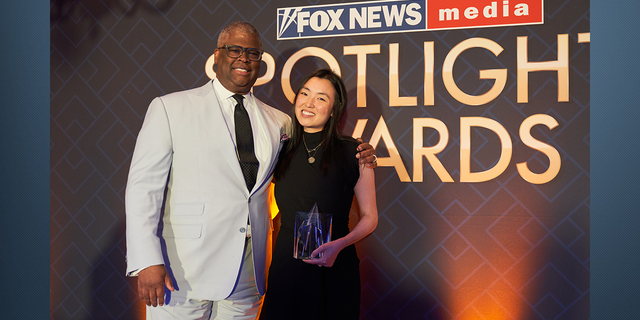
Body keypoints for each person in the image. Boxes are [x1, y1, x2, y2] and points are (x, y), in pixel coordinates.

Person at [124, 22, 377, 319]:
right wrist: (147, 260)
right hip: (184, 272)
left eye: (253, 53)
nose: (244, 58)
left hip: (249, 275)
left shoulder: (279, 122)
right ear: (217, 56)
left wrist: (363, 153)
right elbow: (144, 188)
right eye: (235, 50)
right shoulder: (171, 108)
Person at [259, 69, 379, 320]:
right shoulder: (280, 148)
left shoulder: (355, 152)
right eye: (304, 93)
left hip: (335, 266)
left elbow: (370, 217)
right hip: (286, 269)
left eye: (321, 98)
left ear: (335, 110)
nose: (309, 103)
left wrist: (341, 244)